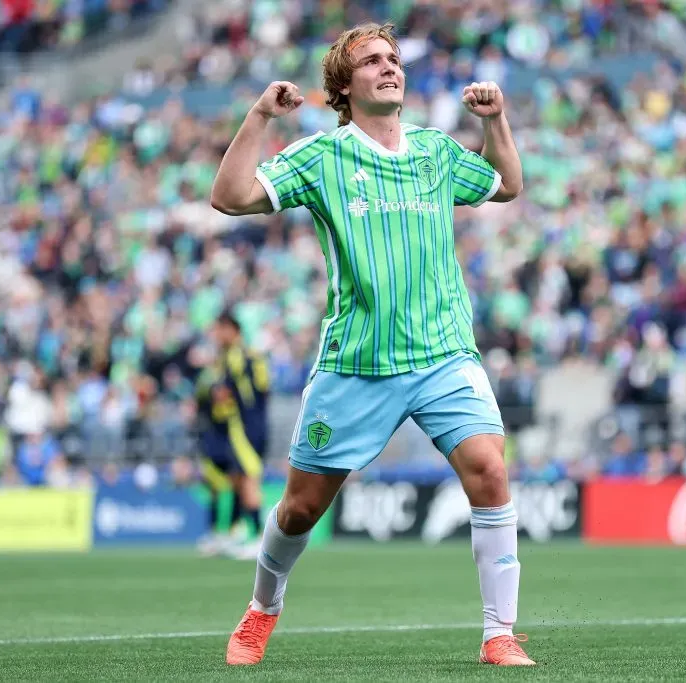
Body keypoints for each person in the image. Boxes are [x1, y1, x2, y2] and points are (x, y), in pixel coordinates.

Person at [209, 22, 530, 667]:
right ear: (343, 87)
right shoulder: (322, 157)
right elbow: (229, 197)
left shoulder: (436, 151)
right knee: (300, 511)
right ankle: (261, 609)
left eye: (395, 59)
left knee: (491, 472)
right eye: (372, 61)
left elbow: (508, 185)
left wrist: (497, 123)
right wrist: (259, 117)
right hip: (356, 365)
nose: (390, 68)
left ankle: (500, 634)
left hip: (443, 353)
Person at [195, 312, 269, 558]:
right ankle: (237, 530)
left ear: (233, 330)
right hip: (240, 429)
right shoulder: (233, 356)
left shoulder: (239, 356)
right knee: (239, 479)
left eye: (220, 329)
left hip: (246, 428)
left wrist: (222, 395)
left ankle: (260, 538)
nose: (217, 335)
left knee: (249, 479)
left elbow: (249, 394)